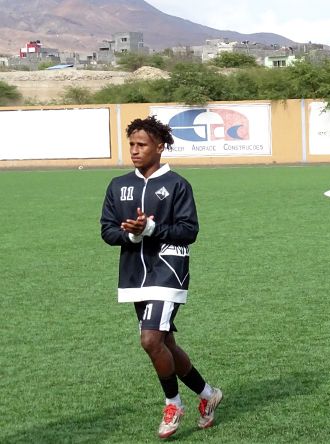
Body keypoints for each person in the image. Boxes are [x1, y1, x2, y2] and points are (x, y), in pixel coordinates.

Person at [100, 116, 223, 439]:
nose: (135, 151)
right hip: (133, 275)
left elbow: (189, 231)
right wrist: (133, 235)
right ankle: (209, 395)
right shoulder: (118, 185)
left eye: (142, 145)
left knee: (150, 340)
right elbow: (107, 229)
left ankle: (173, 404)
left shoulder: (177, 184)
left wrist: (152, 228)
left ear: (160, 146)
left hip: (168, 271)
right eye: (132, 145)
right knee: (165, 342)